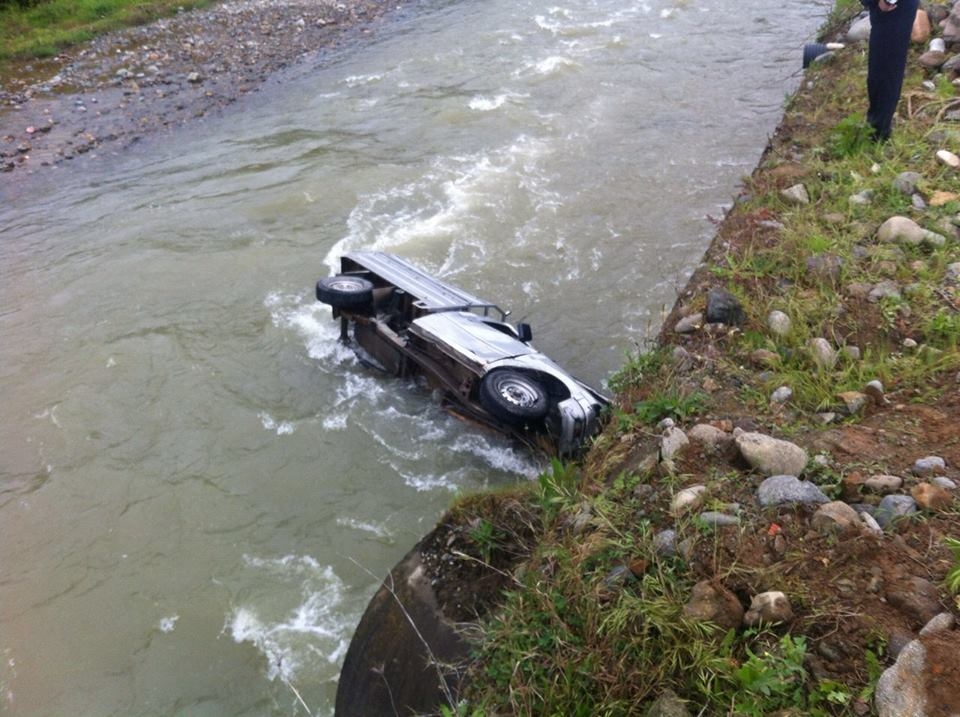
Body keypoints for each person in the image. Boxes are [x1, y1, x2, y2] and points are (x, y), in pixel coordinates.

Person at [864, 0, 920, 141]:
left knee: (885, 68)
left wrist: (888, 1)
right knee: (881, 67)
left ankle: (879, 132)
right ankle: (877, 125)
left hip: (892, 8)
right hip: (889, 7)